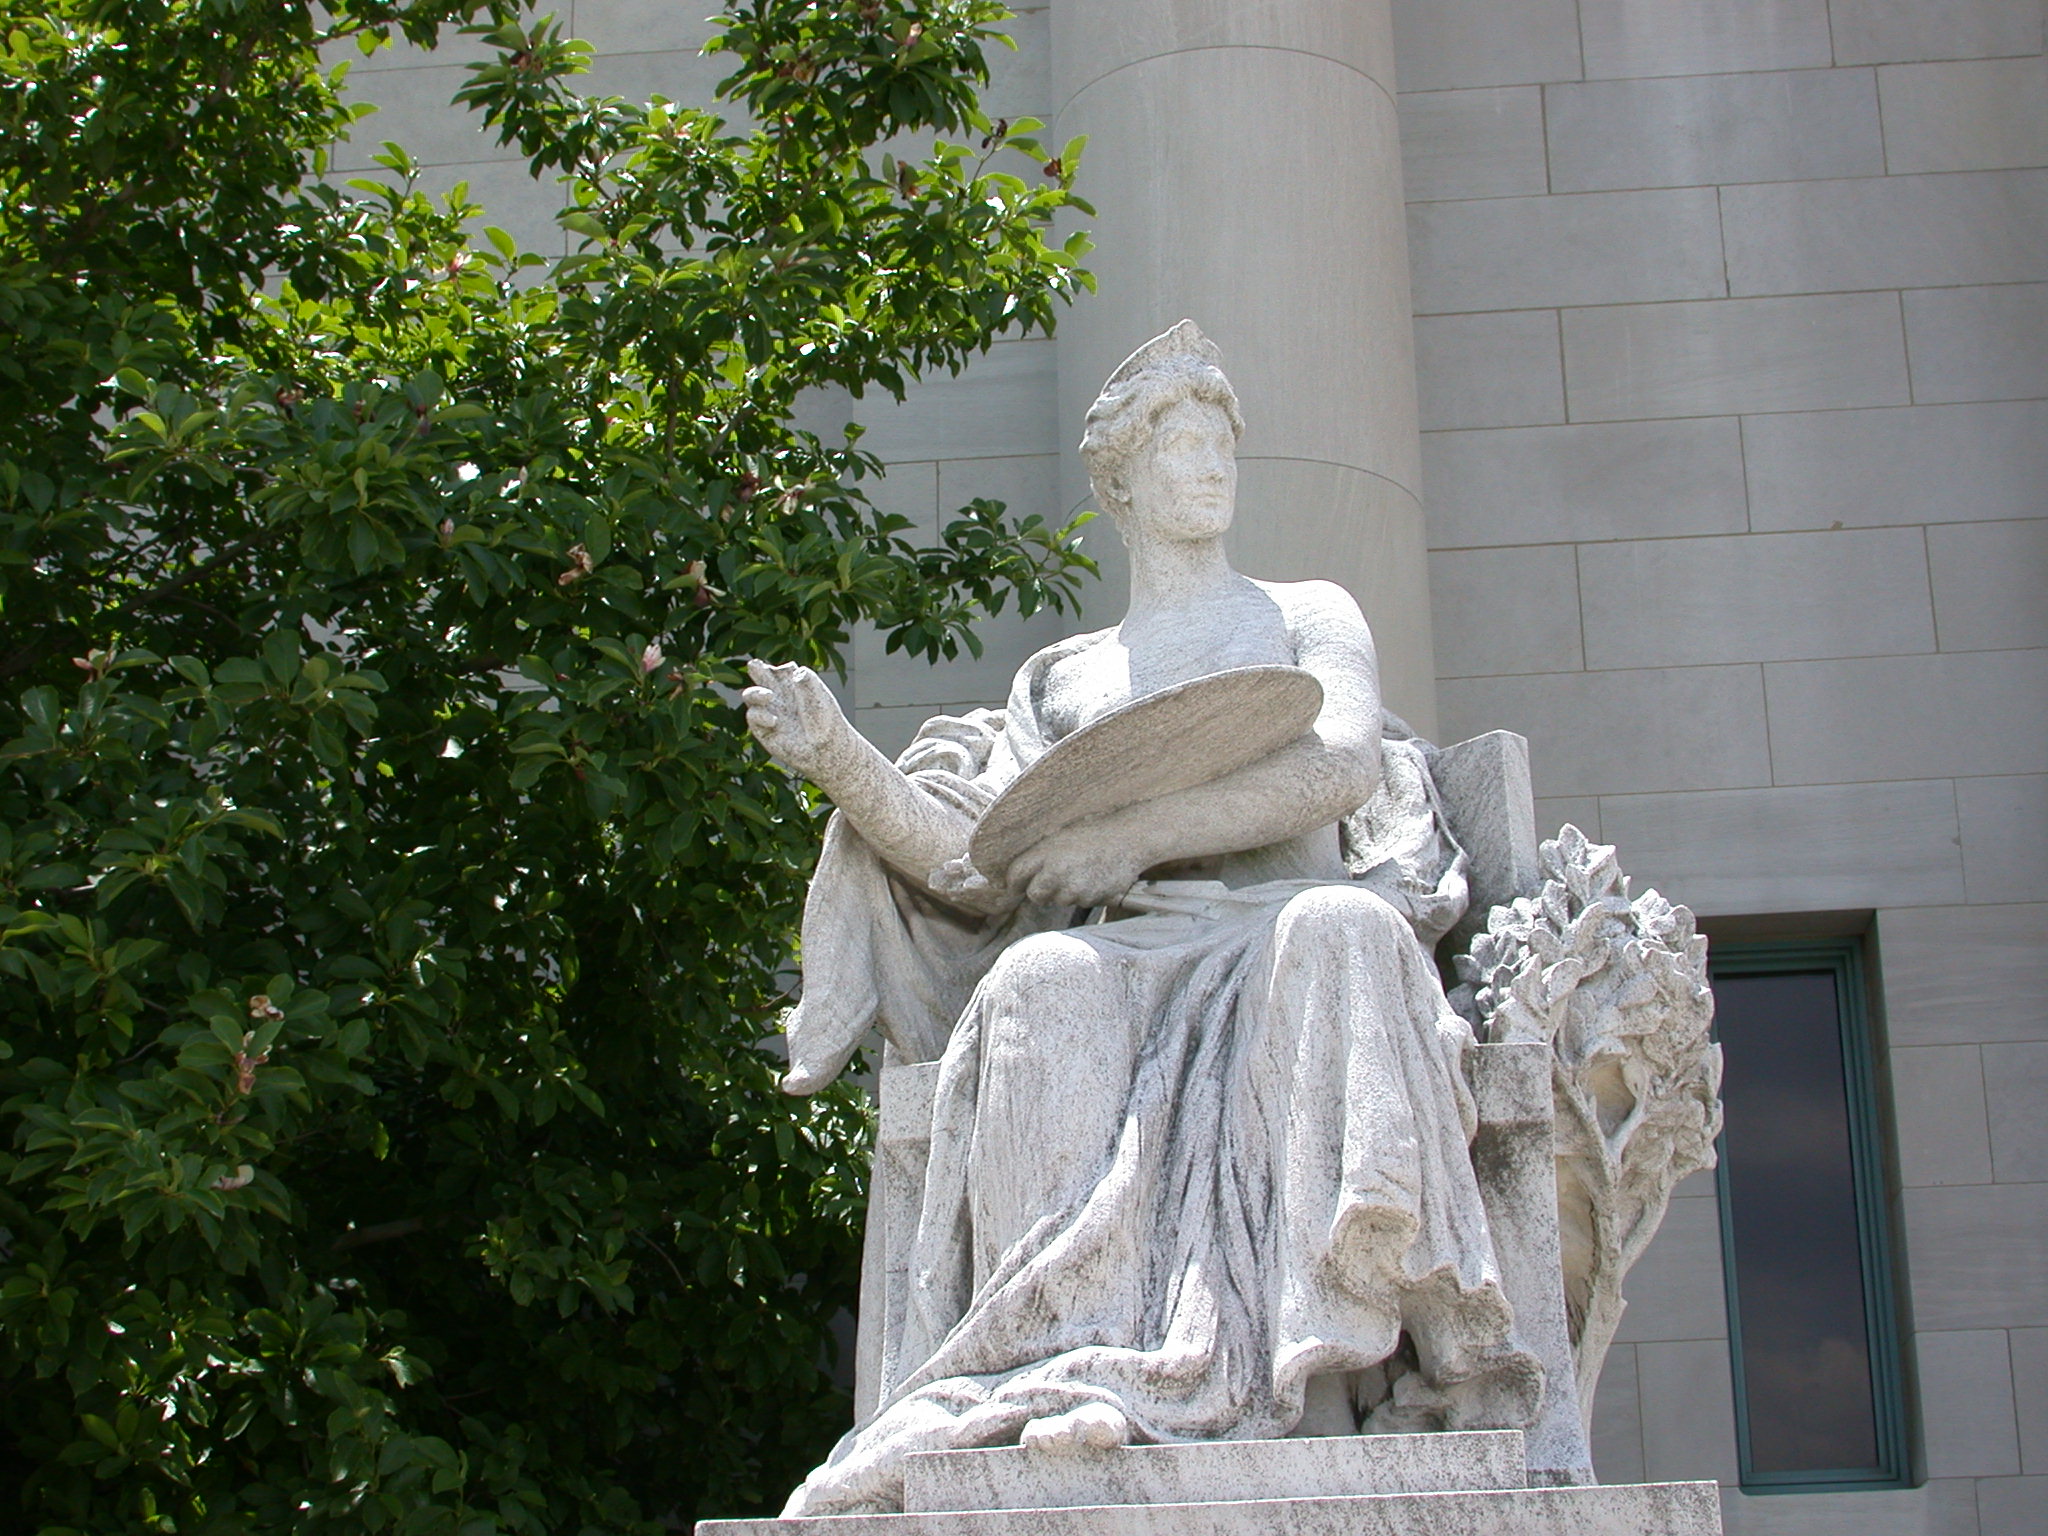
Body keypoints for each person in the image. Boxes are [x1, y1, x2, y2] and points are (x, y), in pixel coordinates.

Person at [743, 322, 1540, 1517]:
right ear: (1119, 485)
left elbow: (1337, 767)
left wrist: (1135, 834)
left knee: (1345, 933)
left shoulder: (1306, 613)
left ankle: (1337, 1338)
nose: (1211, 467)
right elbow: (975, 866)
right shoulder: (1064, 676)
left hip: (1281, 923)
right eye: (1181, 447)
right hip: (1126, 950)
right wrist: (842, 762)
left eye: (1222, 444)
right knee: (1033, 984)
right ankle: (1066, 1360)